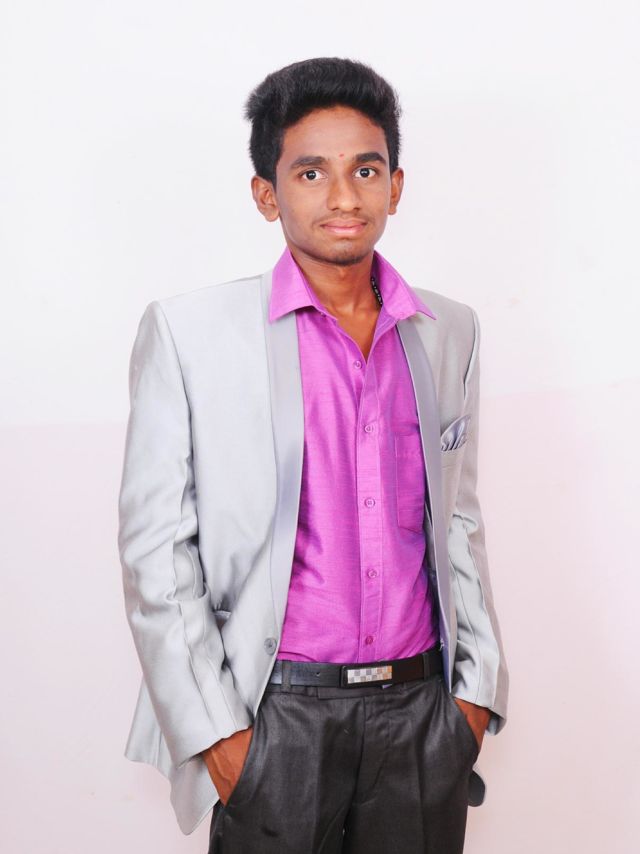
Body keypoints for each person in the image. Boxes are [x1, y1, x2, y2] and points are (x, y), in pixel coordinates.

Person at [118, 57, 509, 854]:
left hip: (421, 713)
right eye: (310, 172)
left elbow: (458, 520)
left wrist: (474, 696)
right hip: (276, 715)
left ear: (395, 186)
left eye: (365, 169)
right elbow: (157, 552)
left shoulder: (450, 330)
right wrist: (220, 737)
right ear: (267, 194)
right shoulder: (189, 335)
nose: (343, 197)